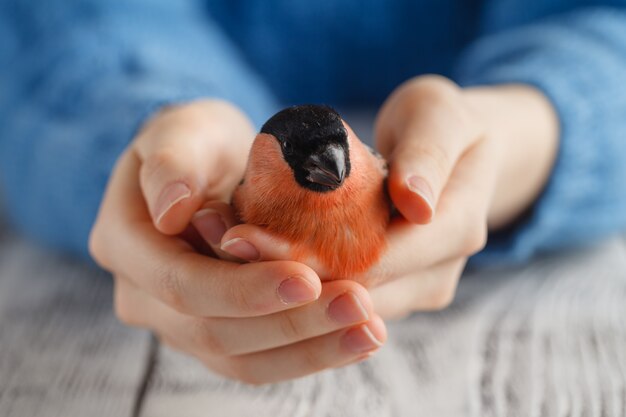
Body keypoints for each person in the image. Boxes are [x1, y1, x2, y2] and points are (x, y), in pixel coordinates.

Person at [1, 0, 625, 385]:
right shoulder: (240, 202)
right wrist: (146, 129)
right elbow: (68, 24)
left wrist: (526, 128)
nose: (323, 166)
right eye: (299, 160)